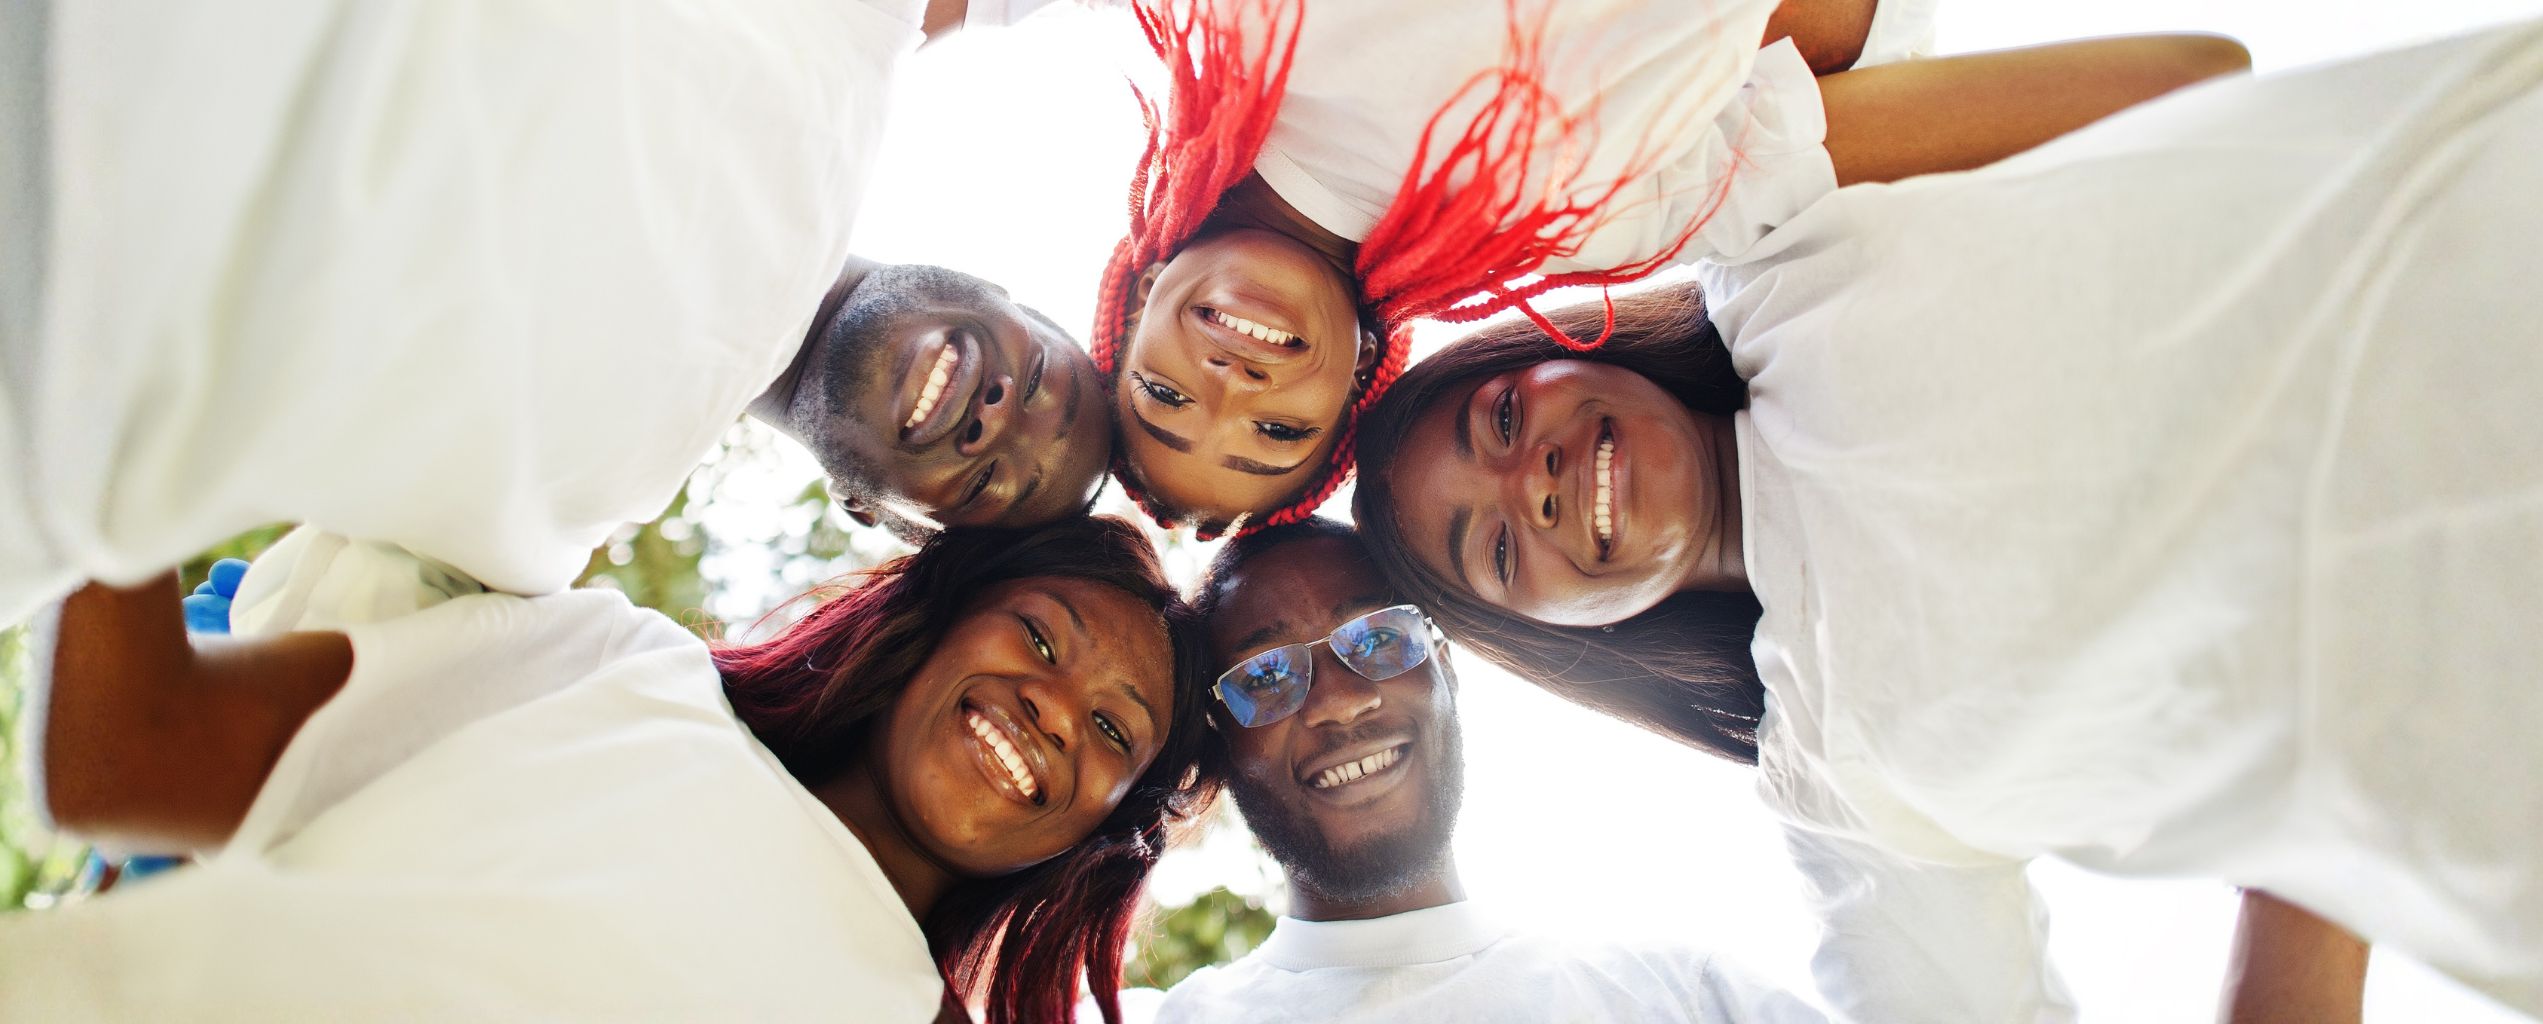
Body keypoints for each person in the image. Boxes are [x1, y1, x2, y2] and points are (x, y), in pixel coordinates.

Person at [1350, 20, 2543, 1018]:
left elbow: (2193, 76)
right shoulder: (1845, 788)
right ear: (1563, 632)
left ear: (1556, 350)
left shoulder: (1779, 240)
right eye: (1496, 549)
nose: (1534, 482)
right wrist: (2326, 830)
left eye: (1499, 419)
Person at [0, 1, 1109, 630]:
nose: (997, 422)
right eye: (1048, 386)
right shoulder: (852, 36)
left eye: (990, 480)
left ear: (888, 521)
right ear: (1008, 292)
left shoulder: (536, 550)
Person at [1084, 0, 2249, 535]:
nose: (1229, 388)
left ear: (1134, 302)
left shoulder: (1222, 27)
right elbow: (2188, 72)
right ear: (1355, 389)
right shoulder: (1597, 228)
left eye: (1165, 396)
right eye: (1271, 437)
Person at [3, 517, 1213, 1024]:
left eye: (1115, 731)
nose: (1054, 711)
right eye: (1039, 637)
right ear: (931, 626)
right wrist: (118, 429)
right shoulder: (624, 672)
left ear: (1103, 832)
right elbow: (125, 754)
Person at [1156, 516, 1827, 1023]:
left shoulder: (1687, 998)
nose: (1339, 700)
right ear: (1221, 739)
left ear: (1443, 666)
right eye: (1267, 675)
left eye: (1379, 638)